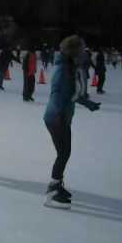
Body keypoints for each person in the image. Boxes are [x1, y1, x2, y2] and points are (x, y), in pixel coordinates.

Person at [44, 35, 101, 209]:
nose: (84, 53)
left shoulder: (70, 67)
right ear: (73, 51)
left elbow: (73, 94)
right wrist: (60, 113)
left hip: (61, 117)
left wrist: (88, 104)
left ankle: (57, 185)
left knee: (65, 152)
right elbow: (56, 94)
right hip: (56, 118)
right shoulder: (63, 70)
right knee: (63, 153)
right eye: (82, 50)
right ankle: (52, 192)